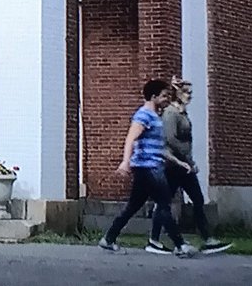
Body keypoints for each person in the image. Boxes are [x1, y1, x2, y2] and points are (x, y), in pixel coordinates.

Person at [97, 79, 198, 258]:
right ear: (153, 97)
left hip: (153, 165)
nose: (167, 99)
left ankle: (109, 239)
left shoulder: (155, 117)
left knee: (133, 206)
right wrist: (125, 161)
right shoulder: (143, 115)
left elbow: (159, 147)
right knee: (164, 203)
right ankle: (180, 245)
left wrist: (177, 161)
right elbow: (130, 138)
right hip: (147, 168)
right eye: (164, 96)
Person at [148, 76, 232, 254]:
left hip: (184, 165)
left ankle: (208, 239)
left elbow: (187, 141)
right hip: (173, 165)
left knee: (198, 199)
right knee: (164, 203)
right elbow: (170, 139)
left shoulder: (182, 113)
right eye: (186, 92)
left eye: (191, 92)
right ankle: (154, 239)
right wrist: (186, 158)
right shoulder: (171, 113)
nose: (189, 96)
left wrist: (190, 160)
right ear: (177, 93)